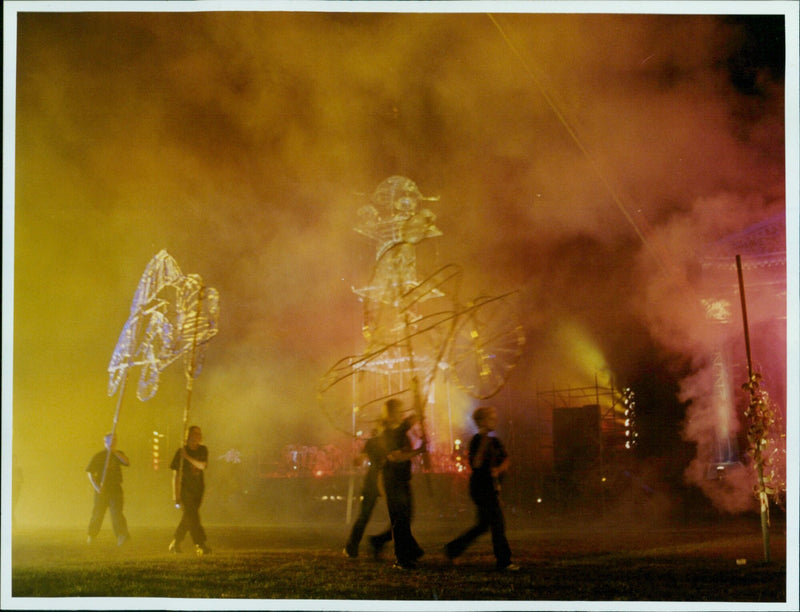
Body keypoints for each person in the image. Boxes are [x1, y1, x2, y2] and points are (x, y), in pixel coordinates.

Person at [444, 406, 519, 571]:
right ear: (481, 421)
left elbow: (506, 459)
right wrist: (484, 440)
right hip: (481, 488)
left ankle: (453, 549)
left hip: (491, 488)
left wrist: (499, 469)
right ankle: (504, 561)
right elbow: (476, 463)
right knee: (497, 523)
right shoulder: (477, 440)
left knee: (483, 525)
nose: (495, 420)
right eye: (491, 418)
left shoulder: (495, 441)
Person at [379, 398, 426, 570]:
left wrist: (418, 392)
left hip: (403, 478)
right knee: (400, 519)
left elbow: (416, 415)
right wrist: (418, 451)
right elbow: (395, 456)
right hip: (393, 480)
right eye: (398, 410)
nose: (402, 413)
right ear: (390, 414)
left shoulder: (400, 428)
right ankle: (402, 559)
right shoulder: (387, 433)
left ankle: (411, 551)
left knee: (406, 515)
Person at [343, 429, 389, 558]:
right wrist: (357, 460)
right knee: (397, 515)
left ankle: (354, 545)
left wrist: (357, 460)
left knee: (365, 515)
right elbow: (361, 459)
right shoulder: (381, 441)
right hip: (380, 480)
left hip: (376, 480)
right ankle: (355, 545)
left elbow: (361, 459)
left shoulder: (375, 441)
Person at [170, 425, 211, 555]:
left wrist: (187, 457)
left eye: (199, 434)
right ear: (188, 436)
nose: (197, 436)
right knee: (193, 515)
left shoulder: (202, 450)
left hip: (198, 489)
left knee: (188, 517)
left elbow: (203, 465)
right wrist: (175, 494)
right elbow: (175, 475)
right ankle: (200, 544)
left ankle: (176, 542)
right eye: (195, 434)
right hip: (185, 489)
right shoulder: (180, 452)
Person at [86, 433, 130, 546]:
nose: (113, 443)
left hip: (115, 489)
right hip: (102, 489)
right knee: (98, 513)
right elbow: (90, 472)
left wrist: (114, 451)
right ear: (105, 442)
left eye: (115, 440)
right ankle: (92, 535)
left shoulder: (118, 454)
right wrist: (97, 487)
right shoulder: (99, 456)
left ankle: (121, 535)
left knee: (117, 513)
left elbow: (126, 462)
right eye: (111, 441)